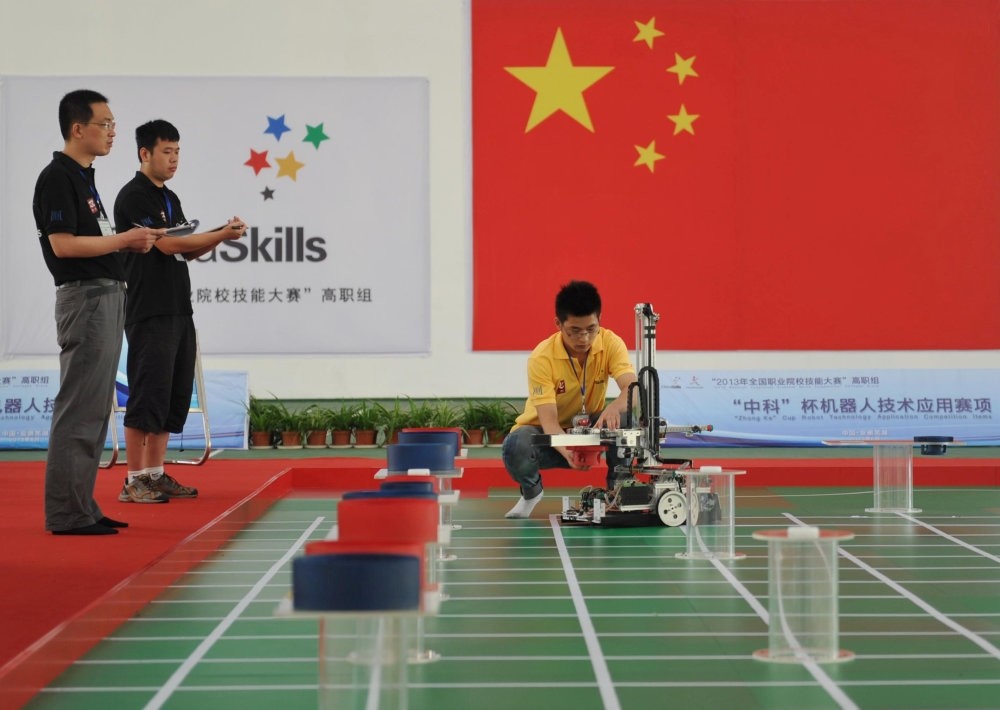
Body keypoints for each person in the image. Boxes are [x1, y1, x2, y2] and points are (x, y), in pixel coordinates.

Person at [33, 89, 162, 535]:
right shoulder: (57, 177)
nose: (112, 131)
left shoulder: (83, 177)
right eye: (104, 124)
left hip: (104, 296)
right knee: (79, 407)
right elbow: (63, 244)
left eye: (112, 123)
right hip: (85, 299)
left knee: (93, 410)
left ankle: (82, 506)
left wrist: (127, 241)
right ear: (77, 129)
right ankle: (67, 513)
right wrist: (124, 240)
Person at [112, 119, 247, 503]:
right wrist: (222, 234)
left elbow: (186, 247)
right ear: (144, 153)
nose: (173, 159)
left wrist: (221, 232)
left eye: (177, 152)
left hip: (177, 307)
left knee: (171, 394)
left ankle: (155, 474)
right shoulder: (133, 196)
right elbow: (165, 246)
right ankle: (133, 480)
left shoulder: (169, 197)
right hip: (149, 308)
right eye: (166, 152)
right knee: (146, 392)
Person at [502, 280, 638, 518]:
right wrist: (570, 451)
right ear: (558, 324)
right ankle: (531, 493)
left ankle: (617, 493)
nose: (584, 338)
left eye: (591, 329)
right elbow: (550, 422)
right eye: (574, 331)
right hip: (548, 434)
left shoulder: (611, 342)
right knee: (516, 446)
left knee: (627, 415)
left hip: (592, 429)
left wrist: (615, 407)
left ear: (599, 321)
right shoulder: (541, 358)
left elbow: (634, 389)